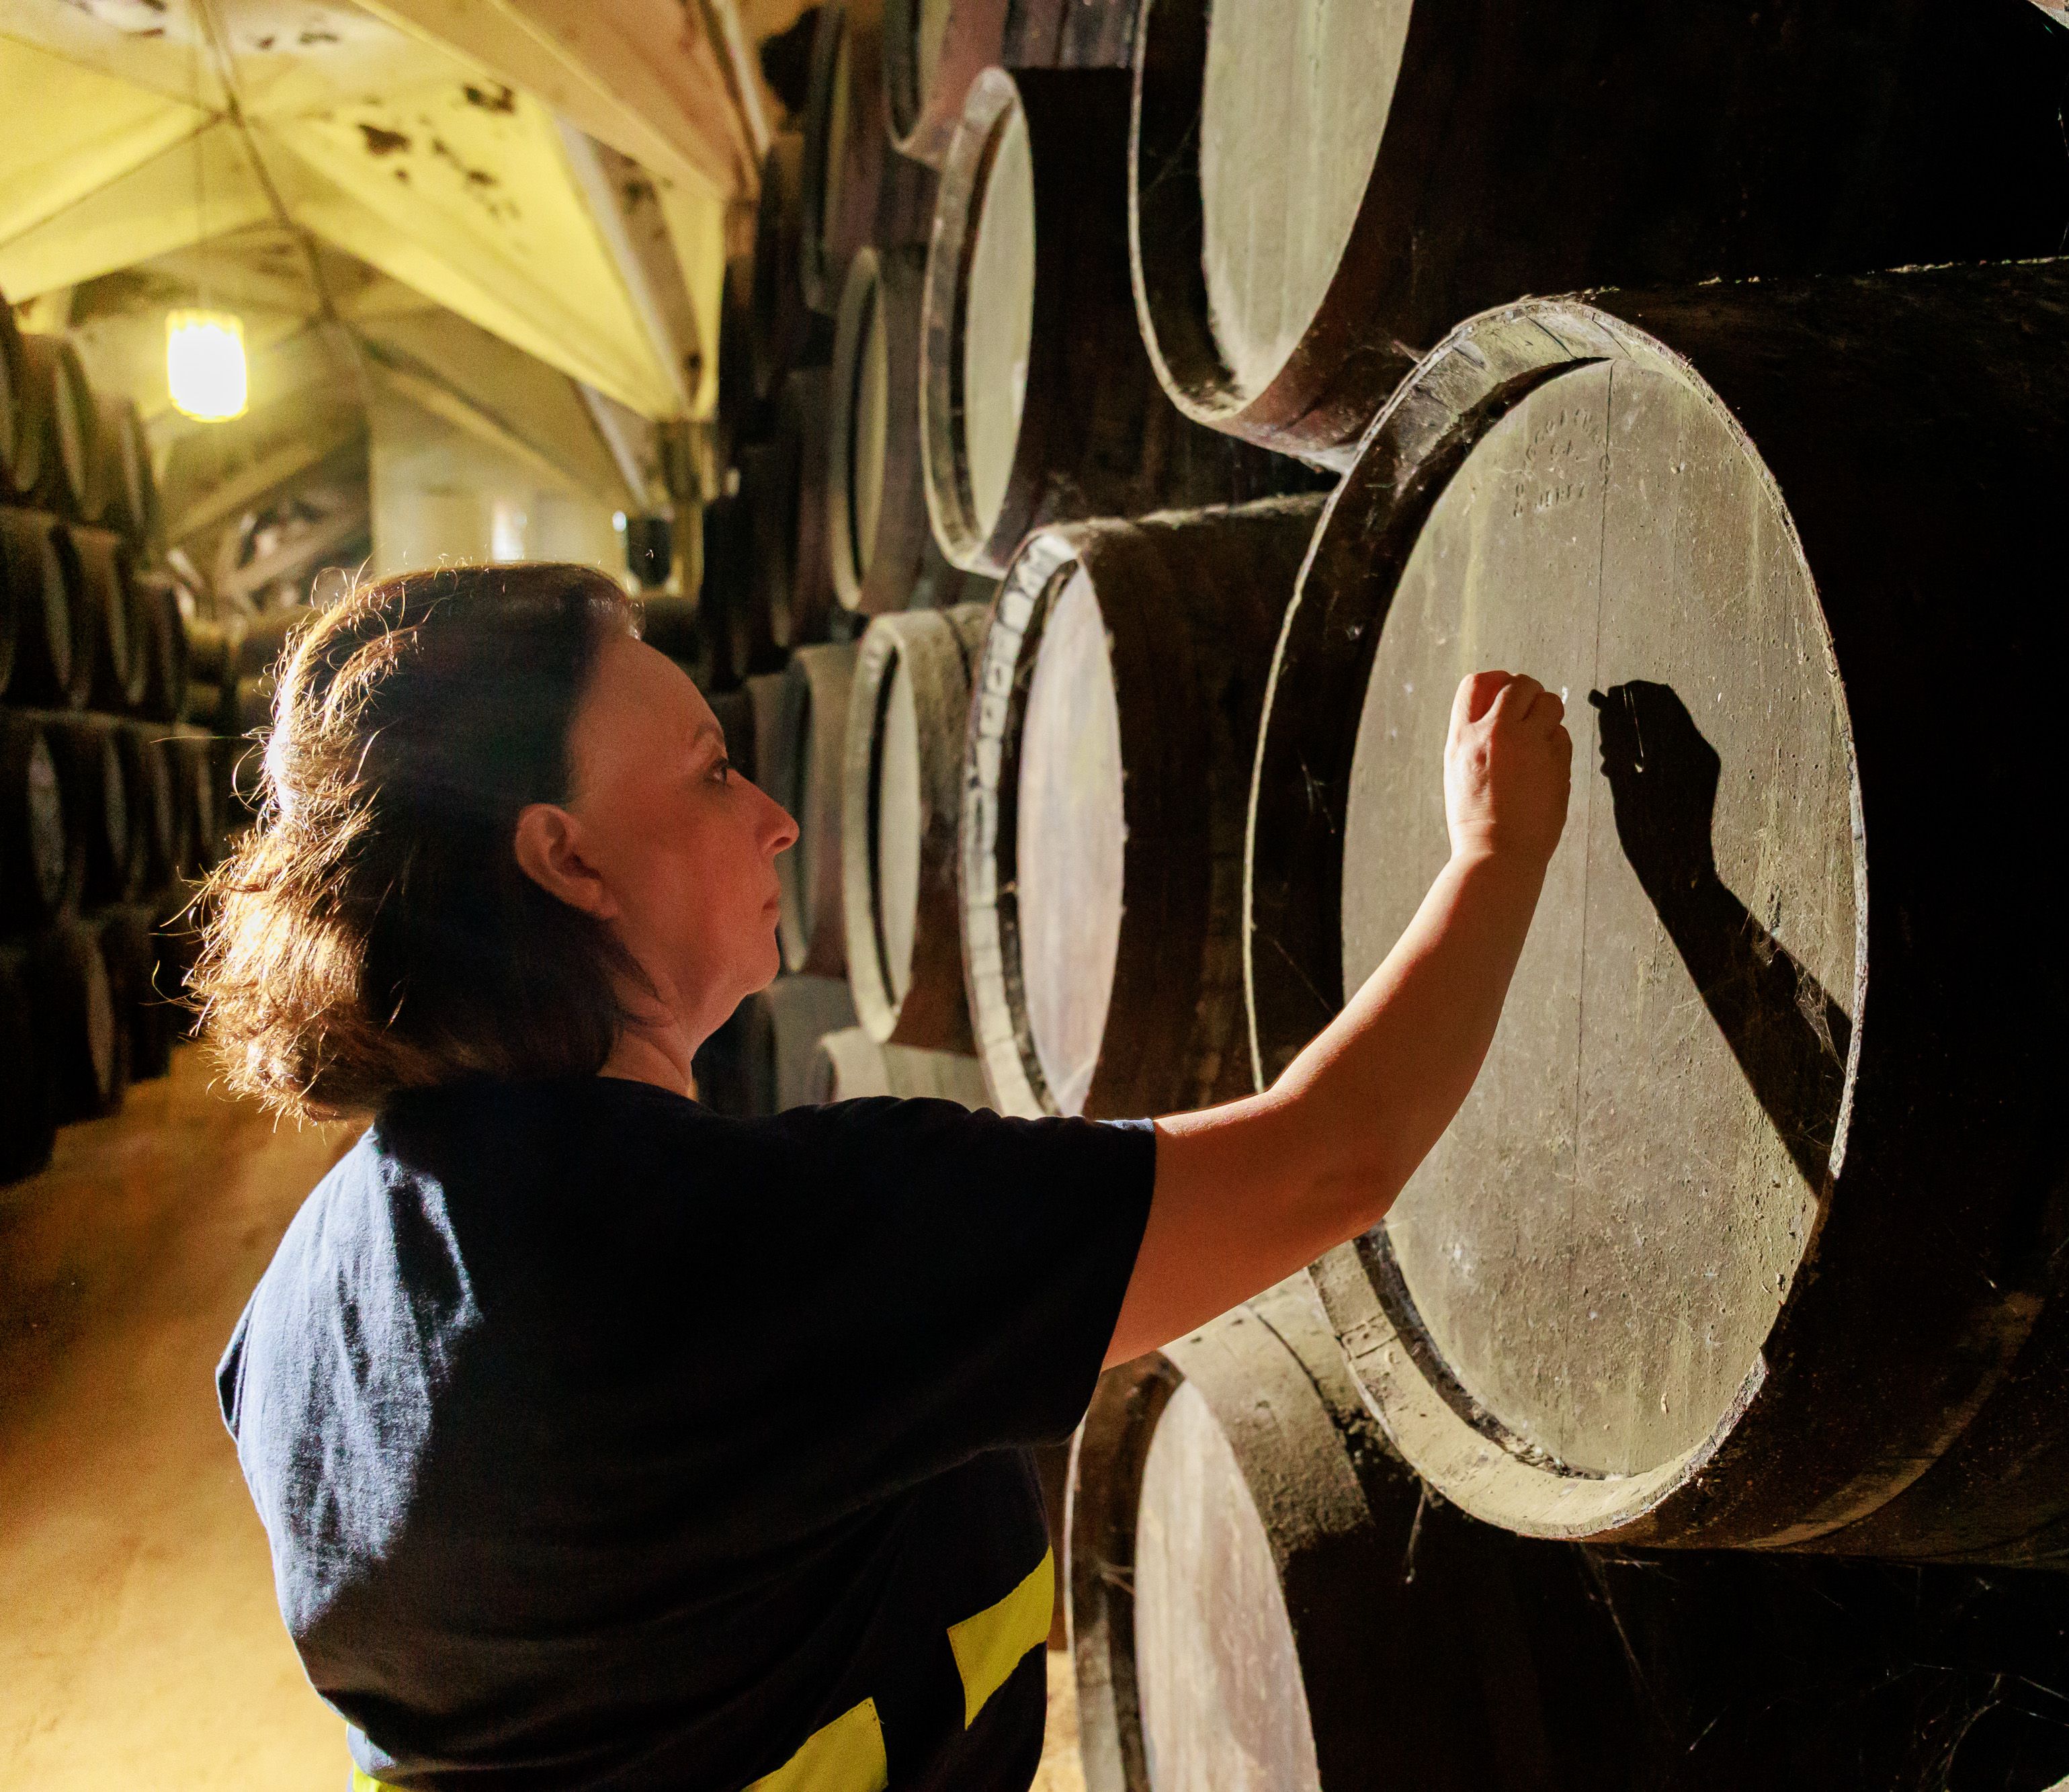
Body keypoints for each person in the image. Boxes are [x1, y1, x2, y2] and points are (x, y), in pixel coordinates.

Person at [196, 562, 1572, 1792]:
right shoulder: (735, 1248)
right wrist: (1498, 853)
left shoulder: (289, 1321)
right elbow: (1326, 1161)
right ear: (568, 858)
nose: (776, 819)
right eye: (711, 772)